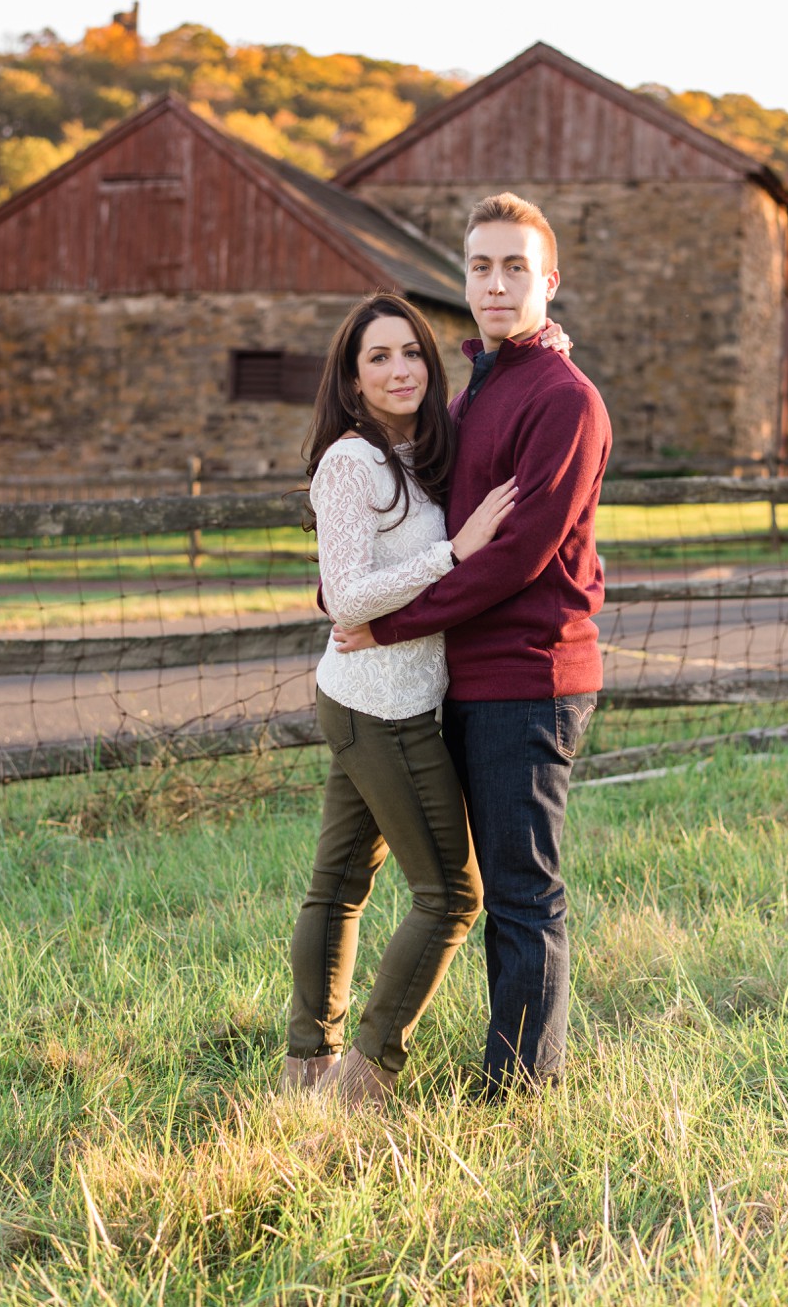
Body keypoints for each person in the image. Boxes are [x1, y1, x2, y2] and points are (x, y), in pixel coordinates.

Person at [333, 194, 612, 1100]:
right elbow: (421, 524)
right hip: (465, 676)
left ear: (549, 281)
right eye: (481, 267)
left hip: (529, 676)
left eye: (515, 268)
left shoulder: (565, 399)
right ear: (464, 279)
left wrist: (387, 625)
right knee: (475, 888)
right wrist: (345, 589)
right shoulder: (477, 388)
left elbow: (519, 559)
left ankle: (519, 1093)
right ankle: (486, 1065)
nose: (496, 283)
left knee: (523, 892)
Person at [281, 291, 518, 1111]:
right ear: (350, 381)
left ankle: (308, 1064)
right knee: (452, 896)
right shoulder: (350, 463)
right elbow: (346, 597)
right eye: (377, 358)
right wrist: (457, 550)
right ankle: (365, 1075)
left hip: (384, 694)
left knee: (339, 884)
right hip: (379, 705)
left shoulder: (419, 453)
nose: (399, 369)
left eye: (410, 352)